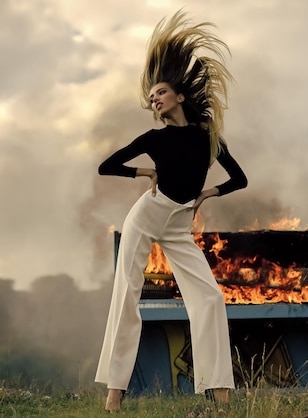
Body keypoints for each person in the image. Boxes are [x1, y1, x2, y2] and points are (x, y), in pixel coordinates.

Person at [94, 10, 248, 412]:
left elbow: (239, 179)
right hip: (146, 215)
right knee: (126, 295)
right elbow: (106, 166)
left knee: (211, 298)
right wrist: (150, 170)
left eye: (160, 93)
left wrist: (205, 195)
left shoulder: (207, 137)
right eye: (151, 97)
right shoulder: (154, 138)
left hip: (179, 224)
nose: (154, 99)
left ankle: (220, 397)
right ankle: (114, 397)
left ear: (180, 96)